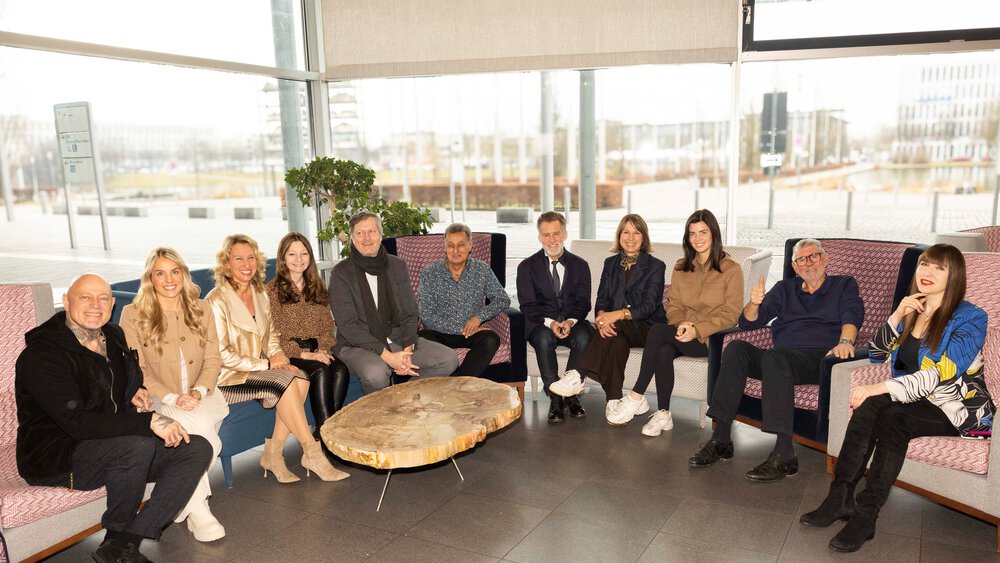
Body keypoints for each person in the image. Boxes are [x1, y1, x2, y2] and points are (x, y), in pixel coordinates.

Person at [800, 244, 993, 552]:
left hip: (954, 406)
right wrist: (897, 315)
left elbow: (944, 372)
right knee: (871, 405)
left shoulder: (970, 318)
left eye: (939, 268)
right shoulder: (912, 308)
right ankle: (839, 498)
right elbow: (877, 355)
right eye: (924, 265)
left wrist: (882, 388)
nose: (927, 273)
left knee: (894, 415)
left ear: (954, 275)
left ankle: (866, 515)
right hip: (914, 396)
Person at [16, 274, 212, 563]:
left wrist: (135, 390)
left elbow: (121, 378)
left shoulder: (113, 336)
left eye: (103, 298)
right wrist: (149, 422)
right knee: (137, 445)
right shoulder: (42, 355)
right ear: (66, 302)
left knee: (195, 448)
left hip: (110, 443)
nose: (95, 305)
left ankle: (123, 543)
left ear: (113, 303)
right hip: (58, 454)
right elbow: (78, 423)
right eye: (85, 297)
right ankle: (117, 534)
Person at [689, 238, 863, 483]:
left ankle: (784, 454)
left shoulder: (843, 284)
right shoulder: (784, 288)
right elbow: (750, 322)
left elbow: (852, 313)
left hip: (821, 359)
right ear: (794, 267)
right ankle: (721, 439)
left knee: (775, 357)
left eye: (814, 256)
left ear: (825, 260)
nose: (809, 263)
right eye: (802, 259)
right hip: (781, 360)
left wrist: (846, 342)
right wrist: (754, 303)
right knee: (737, 348)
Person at [206, 234, 348, 484]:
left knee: (301, 379)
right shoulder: (216, 300)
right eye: (238, 259)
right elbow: (223, 354)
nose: (246, 264)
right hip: (231, 376)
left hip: (261, 367)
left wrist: (277, 355)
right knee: (287, 383)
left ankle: (273, 454)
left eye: (251, 258)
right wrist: (267, 363)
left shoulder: (258, 293)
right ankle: (312, 452)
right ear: (226, 263)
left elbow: (271, 334)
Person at [120, 248, 229, 542]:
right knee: (199, 431)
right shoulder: (133, 315)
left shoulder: (202, 308)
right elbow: (136, 367)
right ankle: (199, 509)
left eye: (174, 271)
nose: (169, 279)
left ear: (183, 274)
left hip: (203, 394)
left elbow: (213, 359)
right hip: (160, 400)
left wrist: (198, 390)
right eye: (160, 273)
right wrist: (171, 398)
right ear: (150, 279)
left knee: (198, 425)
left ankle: (185, 502)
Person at [607, 209, 744, 434]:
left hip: (710, 338)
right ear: (687, 238)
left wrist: (696, 328)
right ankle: (663, 414)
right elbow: (674, 305)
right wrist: (682, 324)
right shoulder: (681, 266)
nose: (697, 238)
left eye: (703, 232)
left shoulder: (731, 269)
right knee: (663, 349)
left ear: (714, 234)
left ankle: (636, 395)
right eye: (692, 234)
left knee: (658, 332)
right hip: (681, 332)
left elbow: (731, 313)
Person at [550, 214, 666, 423]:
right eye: (626, 232)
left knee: (615, 324)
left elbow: (649, 306)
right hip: (617, 329)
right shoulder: (610, 263)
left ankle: (577, 374)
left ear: (644, 237)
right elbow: (601, 298)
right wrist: (602, 317)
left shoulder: (656, 266)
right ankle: (613, 401)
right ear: (619, 236)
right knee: (615, 341)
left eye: (636, 233)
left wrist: (615, 315)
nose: (630, 238)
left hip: (647, 328)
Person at [329, 211, 458, 394]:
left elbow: (409, 312)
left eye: (372, 231)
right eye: (360, 233)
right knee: (376, 372)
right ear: (352, 237)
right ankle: (381, 417)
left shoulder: (397, 265)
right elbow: (348, 326)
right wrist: (388, 356)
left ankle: (404, 398)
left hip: (395, 337)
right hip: (356, 344)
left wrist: (407, 349)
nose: (366, 238)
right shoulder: (340, 273)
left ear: (381, 234)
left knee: (448, 359)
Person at [267, 232, 351, 459]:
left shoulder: (316, 286)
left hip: (316, 349)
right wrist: (306, 354)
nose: (298, 259)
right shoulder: (273, 291)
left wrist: (321, 349)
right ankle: (327, 443)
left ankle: (321, 432)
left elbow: (327, 328)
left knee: (341, 369)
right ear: (283, 258)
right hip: (289, 352)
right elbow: (273, 335)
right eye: (292, 254)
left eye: (304, 253)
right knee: (321, 371)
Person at [516, 211, 593, 422]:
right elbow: (527, 305)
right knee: (543, 338)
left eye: (556, 234)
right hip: (540, 322)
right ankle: (556, 398)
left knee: (585, 336)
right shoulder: (526, 267)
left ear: (565, 234)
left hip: (572, 321)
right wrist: (550, 323)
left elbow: (584, 303)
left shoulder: (580, 265)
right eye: (546, 235)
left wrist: (570, 321)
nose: (552, 240)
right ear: (540, 237)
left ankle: (571, 392)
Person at [418, 223, 511, 376]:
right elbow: (426, 315)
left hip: (471, 334)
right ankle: (459, 385)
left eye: (461, 245)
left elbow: (502, 299)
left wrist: (478, 317)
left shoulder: (481, 269)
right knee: (421, 339)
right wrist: (461, 328)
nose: (455, 251)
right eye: (451, 245)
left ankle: (459, 382)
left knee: (490, 339)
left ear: (470, 246)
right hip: (439, 333)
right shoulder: (430, 272)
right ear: (444, 248)